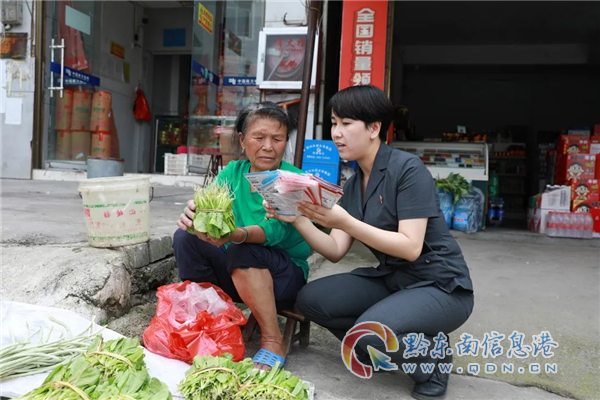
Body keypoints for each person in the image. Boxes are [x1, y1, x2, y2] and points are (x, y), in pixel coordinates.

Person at [265, 85, 474, 399]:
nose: (336, 133)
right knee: (311, 299)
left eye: (346, 124)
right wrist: (297, 218)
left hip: (440, 285)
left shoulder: (407, 169)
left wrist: (345, 221)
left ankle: (432, 360)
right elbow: (336, 250)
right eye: (334, 123)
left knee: (371, 332)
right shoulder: (354, 184)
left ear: (374, 128)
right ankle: (381, 345)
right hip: (394, 279)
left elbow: (410, 247)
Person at [174, 102, 310, 371]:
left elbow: (276, 230)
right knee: (185, 238)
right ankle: (207, 318)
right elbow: (208, 208)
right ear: (242, 139)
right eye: (259, 137)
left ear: (286, 142)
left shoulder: (293, 180)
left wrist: (236, 234)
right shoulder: (233, 172)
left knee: (243, 248)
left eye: (277, 139)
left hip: (284, 277)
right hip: (237, 269)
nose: (268, 146)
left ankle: (273, 340)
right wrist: (192, 217)